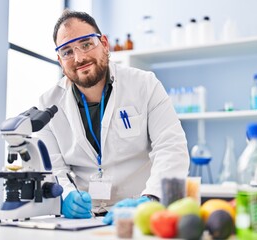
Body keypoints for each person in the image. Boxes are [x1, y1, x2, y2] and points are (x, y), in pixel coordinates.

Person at [37, 9, 190, 224]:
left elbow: (171, 146)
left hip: (140, 217)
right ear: (60, 61)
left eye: (86, 44)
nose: (79, 57)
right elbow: (53, 168)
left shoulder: (145, 85)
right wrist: (65, 196)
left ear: (105, 44)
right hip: (81, 222)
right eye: (67, 52)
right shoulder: (47, 105)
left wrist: (151, 199)